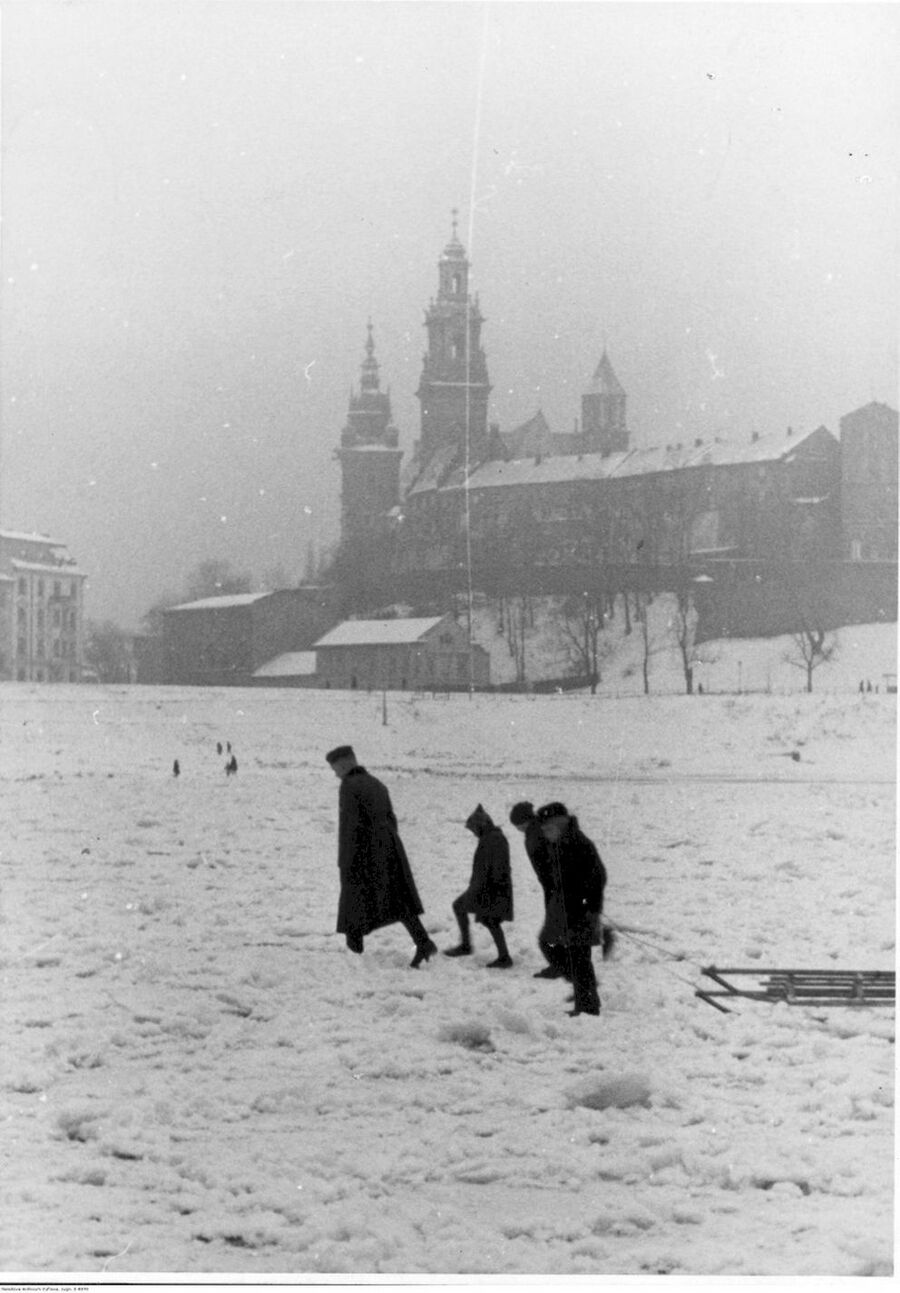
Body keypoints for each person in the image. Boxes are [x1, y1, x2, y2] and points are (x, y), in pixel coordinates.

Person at [326, 745, 437, 968]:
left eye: (335, 768)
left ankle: (354, 956)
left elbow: (350, 826)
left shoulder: (349, 786)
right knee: (398, 900)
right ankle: (423, 942)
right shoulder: (377, 783)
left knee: (353, 900)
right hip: (389, 848)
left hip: (363, 852)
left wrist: (345, 860)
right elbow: (391, 818)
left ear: (345, 763)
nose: (335, 773)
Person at [536, 801, 606, 1017]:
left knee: (578, 957)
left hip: (581, 910)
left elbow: (598, 876)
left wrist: (590, 906)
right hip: (565, 907)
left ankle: (587, 1006)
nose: (546, 834)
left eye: (549, 829)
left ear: (560, 823)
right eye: (544, 830)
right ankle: (584, 994)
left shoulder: (578, 843)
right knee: (553, 946)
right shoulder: (560, 842)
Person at [444, 804, 514, 968]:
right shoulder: (491, 837)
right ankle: (501, 956)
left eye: (473, 829)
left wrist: (486, 889)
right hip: (487, 888)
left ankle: (473, 948)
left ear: (481, 826)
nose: (473, 833)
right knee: (487, 919)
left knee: (487, 918)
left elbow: (496, 868)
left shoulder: (493, 839)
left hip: (490, 889)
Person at [509, 801, 569, 980]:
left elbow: (548, 862)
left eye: (518, 825)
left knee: (553, 928)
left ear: (524, 822)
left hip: (554, 886)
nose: (518, 829)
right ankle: (563, 962)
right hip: (555, 885)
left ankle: (559, 966)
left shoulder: (535, 835)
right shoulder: (539, 830)